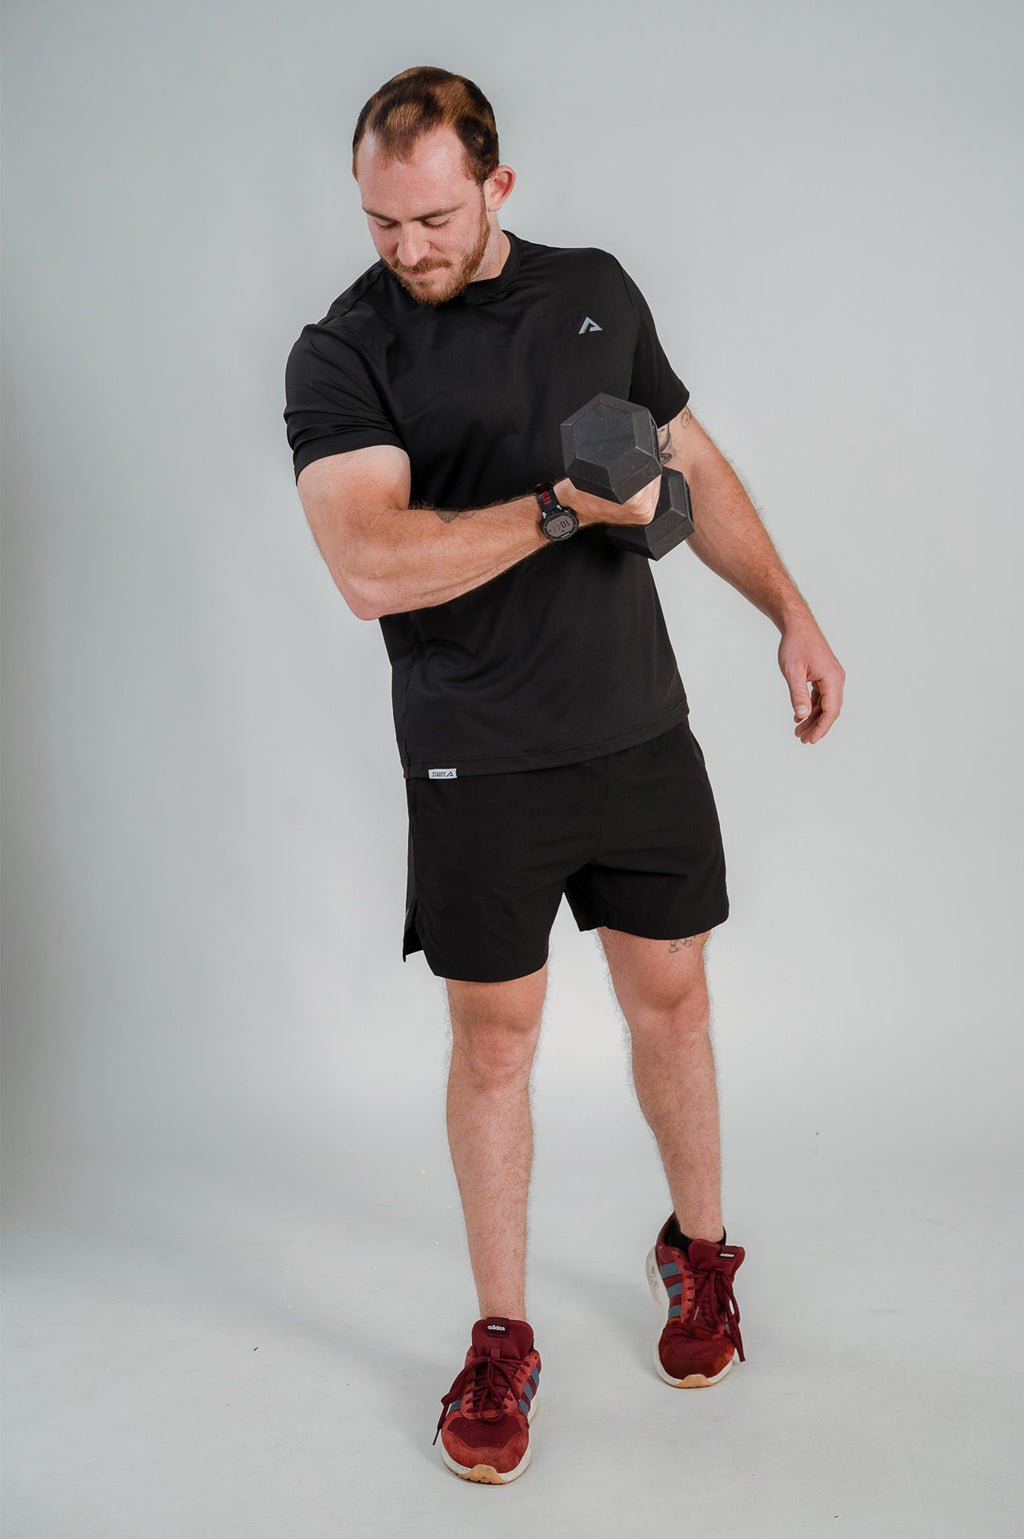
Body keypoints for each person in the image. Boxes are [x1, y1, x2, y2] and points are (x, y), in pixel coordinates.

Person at [284, 65, 845, 1485]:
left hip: (638, 729)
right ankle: (500, 1336)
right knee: (499, 1043)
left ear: (497, 188)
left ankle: (701, 1256)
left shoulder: (596, 287)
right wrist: (553, 512)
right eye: (379, 223)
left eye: (431, 219)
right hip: (481, 755)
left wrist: (789, 610)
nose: (406, 250)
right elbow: (367, 563)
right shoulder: (342, 354)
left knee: (676, 1001)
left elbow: (685, 459)